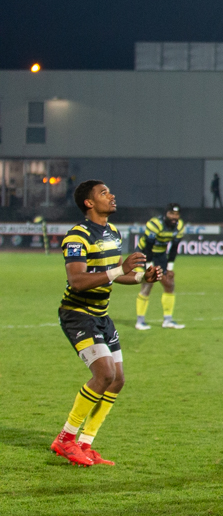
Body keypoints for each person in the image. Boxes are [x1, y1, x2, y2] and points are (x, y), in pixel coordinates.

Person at [51, 180, 163, 467]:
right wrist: (119, 269)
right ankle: (65, 439)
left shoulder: (112, 232)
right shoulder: (77, 236)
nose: (111, 196)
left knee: (117, 380)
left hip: (101, 314)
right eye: (103, 193)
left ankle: (85, 443)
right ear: (89, 203)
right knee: (104, 374)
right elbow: (77, 281)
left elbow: (114, 274)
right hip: (77, 313)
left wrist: (141, 277)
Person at [134, 203, 186, 330]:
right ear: (166, 214)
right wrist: (149, 267)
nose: (174, 217)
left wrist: (170, 268)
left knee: (169, 284)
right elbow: (148, 246)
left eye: (177, 214)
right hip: (144, 254)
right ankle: (140, 321)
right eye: (171, 214)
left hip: (161, 255)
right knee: (148, 284)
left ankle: (168, 320)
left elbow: (174, 248)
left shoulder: (179, 226)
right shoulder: (155, 224)